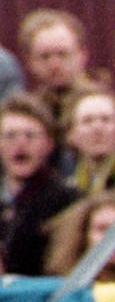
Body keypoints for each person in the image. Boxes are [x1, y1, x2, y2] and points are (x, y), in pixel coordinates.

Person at [2, 92, 80, 275]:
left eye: (30, 136)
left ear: (49, 144)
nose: (20, 144)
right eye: (10, 136)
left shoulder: (67, 201)